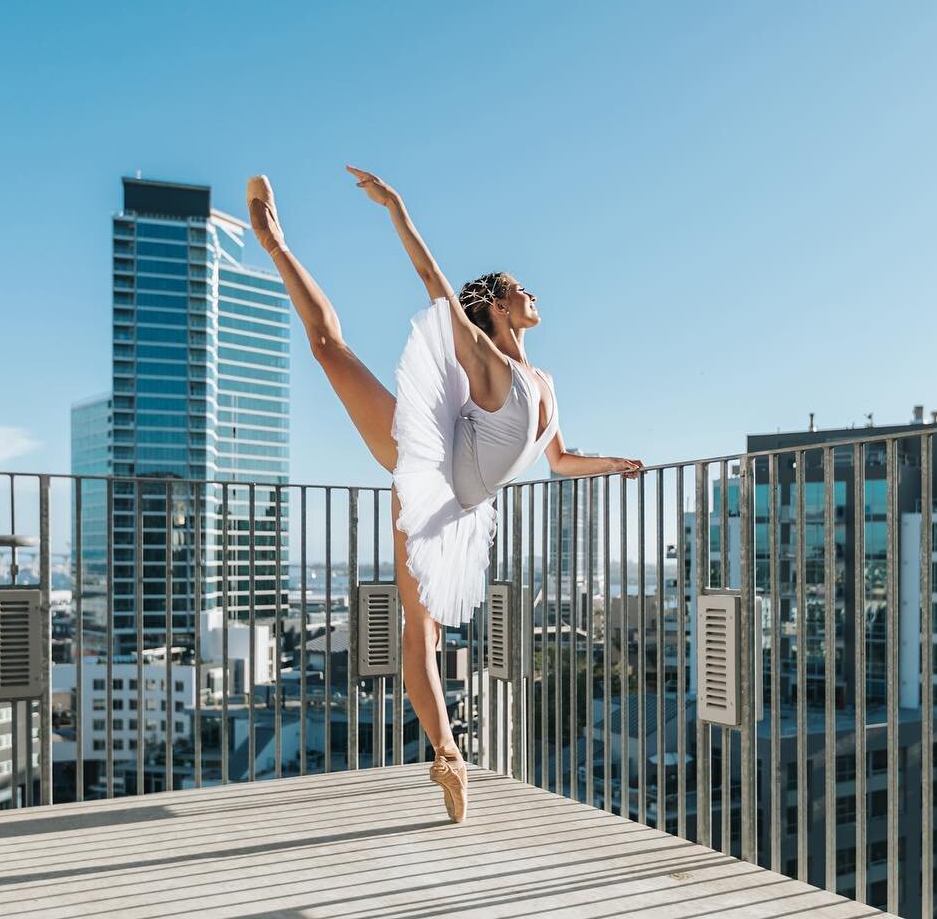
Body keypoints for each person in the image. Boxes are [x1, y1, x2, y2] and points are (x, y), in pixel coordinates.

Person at [245, 167, 643, 822]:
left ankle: (448, 756)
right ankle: (276, 244)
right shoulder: (490, 359)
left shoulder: (544, 382)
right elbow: (433, 281)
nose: (532, 292)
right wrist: (395, 208)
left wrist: (615, 463)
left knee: (423, 637)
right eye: (519, 288)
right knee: (328, 349)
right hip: (427, 465)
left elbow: (562, 461)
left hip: (459, 508)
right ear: (491, 305)